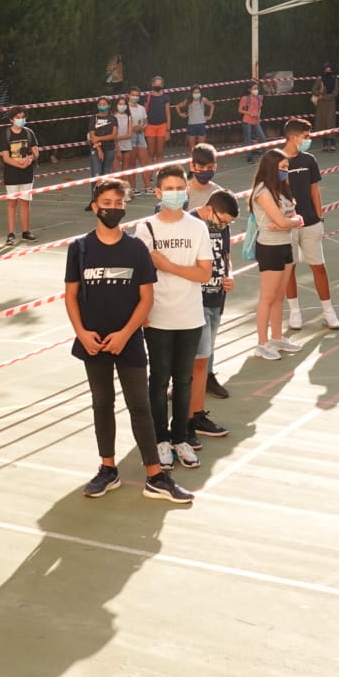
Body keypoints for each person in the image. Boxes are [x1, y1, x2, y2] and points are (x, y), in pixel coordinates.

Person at [64, 178, 193, 504]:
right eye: (106, 203)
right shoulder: (79, 248)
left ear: (124, 208)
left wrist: (125, 334)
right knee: (102, 403)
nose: (112, 209)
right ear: (95, 206)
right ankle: (108, 469)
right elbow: (71, 295)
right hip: (93, 342)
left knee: (140, 406)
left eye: (118, 204)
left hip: (129, 342)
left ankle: (155, 475)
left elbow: (146, 298)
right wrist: (82, 333)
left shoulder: (136, 249)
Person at [135, 165, 213, 471]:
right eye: (168, 188)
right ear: (157, 193)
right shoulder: (147, 229)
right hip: (157, 318)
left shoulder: (198, 228)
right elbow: (142, 276)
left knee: (184, 381)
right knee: (159, 381)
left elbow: (204, 273)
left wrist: (167, 265)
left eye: (180, 187)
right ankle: (161, 440)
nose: (175, 193)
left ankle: (181, 437)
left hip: (190, 317)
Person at [187, 189, 239, 443]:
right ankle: (190, 417)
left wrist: (230, 274)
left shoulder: (222, 227)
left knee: (202, 362)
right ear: (209, 209)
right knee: (195, 362)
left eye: (228, 223)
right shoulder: (190, 225)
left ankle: (195, 415)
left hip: (217, 298)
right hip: (196, 301)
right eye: (223, 220)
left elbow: (226, 256)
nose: (224, 225)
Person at [281, 119, 339, 331]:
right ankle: (295, 312)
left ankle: (328, 311)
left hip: (310, 223)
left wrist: (319, 217)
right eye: (306, 136)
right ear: (292, 137)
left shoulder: (309, 160)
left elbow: (315, 189)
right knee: (289, 269)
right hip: (286, 225)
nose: (309, 140)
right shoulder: (277, 161)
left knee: (319, 267)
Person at [248, 148, 305, 362]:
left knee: (279, 296)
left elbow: (290, 217)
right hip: (269, 247)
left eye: (286, 167)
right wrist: (291, 222)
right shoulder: (262, 192)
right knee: (267, 297)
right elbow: (285, 221)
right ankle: (262, 344)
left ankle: (277, 338)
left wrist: (289, 222)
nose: (285, 171)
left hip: (285, 245)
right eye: (282, 168)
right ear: (271, 168)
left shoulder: (281, 190)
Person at [185, 142, 232, 399]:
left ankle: (208, 375)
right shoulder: (182, 195)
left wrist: (229, 272)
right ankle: (183, 379)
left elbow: (226, 246)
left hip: (215, 281)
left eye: (210, 166)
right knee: (190, 335)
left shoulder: (220, 194)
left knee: (211, 333)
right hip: (190, 279)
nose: (205, 170)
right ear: (191, 166)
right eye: (201, 166)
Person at [2, 108, 40, 245]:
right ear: (11, 119)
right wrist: (19, 165)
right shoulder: (6, 134)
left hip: (27, 174)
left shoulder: (29, 133)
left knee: (25, 202)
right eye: (18, 117)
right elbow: (6, 157)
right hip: (11, 174)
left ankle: (26, 231)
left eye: (23, 117)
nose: (21, 120)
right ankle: (11, 233)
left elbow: (36, 152)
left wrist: (30, 158)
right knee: (12, 203)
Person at [121, 87, 149, 194]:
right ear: (128, 95)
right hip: (130, 136)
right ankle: (133, 187)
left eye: (137, 95)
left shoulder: (141, 108)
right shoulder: (125, 108)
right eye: (133, 94)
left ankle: (147, 187)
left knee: (145, 162)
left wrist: (142, 127)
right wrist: (132, 128)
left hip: (140, 135)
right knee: (131, 163)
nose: (135, 97)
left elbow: (146, 121)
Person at [175, 86, 214, 157]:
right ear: (191, 93)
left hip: (201, 125)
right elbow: (177, 106)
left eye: (198, 92)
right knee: (191, 148)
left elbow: (212, 105)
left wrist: (210, 116)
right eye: (195, 92)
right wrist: (180, 114)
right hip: (191, 125)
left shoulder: (203, 100)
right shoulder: (188, 100)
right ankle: (192, 163)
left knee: (201, 148)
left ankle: (201, 164)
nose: (197, 94)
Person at [143, 76, 172, 169]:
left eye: (160, 84)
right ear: (152, 84)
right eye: (156, 83)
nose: (158, 85)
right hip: (150, 126)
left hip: (162, 126)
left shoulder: (165, 97)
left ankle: (160, 173)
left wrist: (168, 130)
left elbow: (168, 115)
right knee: (150, 152)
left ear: (162, 85)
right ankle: (149, 174)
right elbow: (144, 113)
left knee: (160, 152)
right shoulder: (147, 97)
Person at [87, 97, 118, 182]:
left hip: (110, 149)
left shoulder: (113, 118)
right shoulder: (93, 118)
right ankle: (95, 194)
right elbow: (92, 137)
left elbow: (114, 135)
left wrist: (99, 138)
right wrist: (99, 150)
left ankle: (105, 194)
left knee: (106, 174)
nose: (102, 106)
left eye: (104, 104)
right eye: (100, 104)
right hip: (96, 149)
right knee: (97, 174)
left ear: (109, 105)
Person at [311, 63, 338, 151]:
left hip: (330, 105)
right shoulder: (320, 79)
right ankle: (325, 144)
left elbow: (335, 93)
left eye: (329, 69)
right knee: (323, 124)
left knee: (331, 124)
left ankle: (333, 143)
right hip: (321, 106)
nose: (328, 71)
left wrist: (325, 97)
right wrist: (320, 92)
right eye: (326, 69)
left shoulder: (334, 79)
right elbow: (313, 90)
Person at [238, 83, 265, 160]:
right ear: (249, 90)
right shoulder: (245, 98)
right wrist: (250, 113)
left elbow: (259, 108)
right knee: (248, 139)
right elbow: (240, 110)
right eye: (254, 88)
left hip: (256, 121)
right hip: (247, 121)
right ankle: (249, 157)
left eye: (256, 88)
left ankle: (264, 153)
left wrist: (258, 115)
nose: (256, 90)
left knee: (262, 137)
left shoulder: (259, 98)